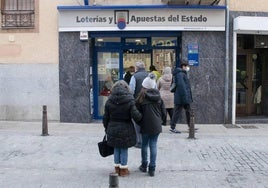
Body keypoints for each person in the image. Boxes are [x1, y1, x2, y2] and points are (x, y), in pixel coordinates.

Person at [102, 80, 142, 177]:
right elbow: (136, 116)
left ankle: (117, 169)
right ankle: (124, 170)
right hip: (126, 127)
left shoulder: (109, 100)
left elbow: (105, 117)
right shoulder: (130, 100)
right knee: (124, 148)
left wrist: (107, 128)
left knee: (116, 148)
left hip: (113, 127)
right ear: (126, 88)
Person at [136, 73, 166, 177]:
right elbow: (163, 112)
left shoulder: (141, 98)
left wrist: (140, 123)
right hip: (156, 125)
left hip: (145, 125)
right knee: (153, 144)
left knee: (144, 144)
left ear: (144, 86)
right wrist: (161, 121)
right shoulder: (158, 97)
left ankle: (144, 165)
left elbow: (137, 114)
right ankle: (152, 168)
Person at [170, 60, 193, 133]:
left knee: (188, 111)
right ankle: (172, 127)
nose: (187, 68)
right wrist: (185, 98)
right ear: (183, 66)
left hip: (183, 97)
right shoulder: (180, 74)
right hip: (181, 97)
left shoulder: (182, 73)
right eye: (187, 66)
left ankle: (191, 126)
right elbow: (182, 86)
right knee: (177, 112)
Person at [129, 61, 148, 148]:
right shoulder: (149, 75)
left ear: (137, 68)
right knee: (147, 121)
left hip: (138, 102)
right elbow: (155, 88)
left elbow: (131, 90)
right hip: (149, 102)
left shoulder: (134, 76)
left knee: (137, 121)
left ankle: (139, 141)